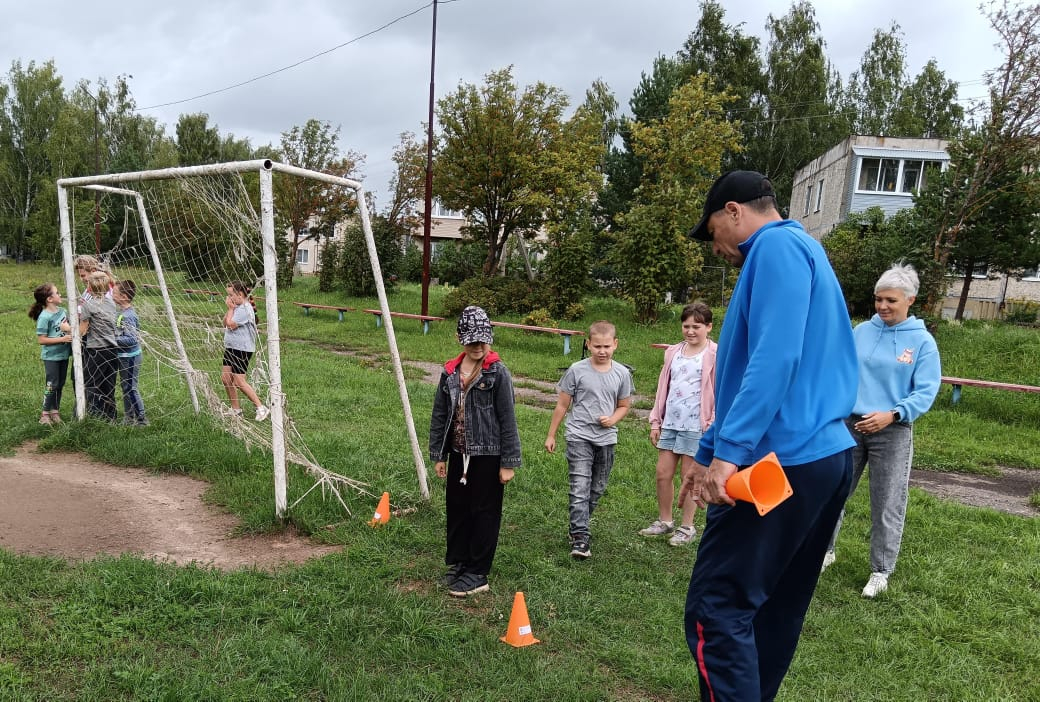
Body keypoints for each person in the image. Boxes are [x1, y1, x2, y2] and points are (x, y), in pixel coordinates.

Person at [678, 170, 859, 701]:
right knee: (774, 610)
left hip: (777, 465)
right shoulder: (806, 250)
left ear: (735, 211)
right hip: (825, 457)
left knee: (717, 605)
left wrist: (728, 456)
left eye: (713, 231)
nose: (716, 248)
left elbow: (775, 360)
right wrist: (705, 450)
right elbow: (742, 372)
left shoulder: (775, 248)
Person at [821, 263, 941, 598]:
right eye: (878, 300)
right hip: (850, 424)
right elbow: (840, 371)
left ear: (910, 300)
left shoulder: (922, 342)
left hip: (892, 429)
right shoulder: (861, 331)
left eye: (890, 300)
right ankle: (825, 550)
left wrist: (893, 414)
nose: (883, 306)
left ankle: (880, 570)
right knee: (834, 491)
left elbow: (926, 390)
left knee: (887, 501)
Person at [429, 306, 521, 597]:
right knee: (457, 508)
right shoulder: (449, 373)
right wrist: (439, 455)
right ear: (459, 338)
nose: (478, 346)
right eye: (472, 341)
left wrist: (508, 462)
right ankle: (459, 562)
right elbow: (440, 415)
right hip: (458, 454)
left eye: (483, 339)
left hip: (488, 456)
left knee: (484, 512)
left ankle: (478, 572)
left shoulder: (497, 373)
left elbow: (508, 419)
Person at [545, 320, 633, 560]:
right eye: (597, 346)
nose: (602, 351)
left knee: (597, 487)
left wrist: (613, 418)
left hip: (606, 438)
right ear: (588, 345)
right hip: (578, 436)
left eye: (606, 346)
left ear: (615, 344)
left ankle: (577, 524)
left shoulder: (622, 373)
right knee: (580, 486)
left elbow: (624, 405)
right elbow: (563, 404)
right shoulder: (577, 370)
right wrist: (551, 434)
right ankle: (581, 537)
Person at [641, 302, 717, 546]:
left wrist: (713, 421)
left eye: (696, 326)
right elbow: (663, 387)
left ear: (709, 327)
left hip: (697, 426)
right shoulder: (673, 351)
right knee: (663, 473)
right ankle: (665, 521)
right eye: (686, 326)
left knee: (690, 476)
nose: (690, 331)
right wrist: (656, 421)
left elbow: (721, 389)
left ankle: (687, 527)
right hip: (671, 422)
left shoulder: (715, 354)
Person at [221, 281, 269, 421]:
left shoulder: (244, 309)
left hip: (242, 349)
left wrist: (230, 309)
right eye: (228, 295)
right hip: (231, 347)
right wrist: (230, 309)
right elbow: (224, 322)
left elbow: (230, 325)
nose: (228, 298)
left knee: (239, 381)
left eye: (231, 295)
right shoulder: (236, 306)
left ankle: (261, 408)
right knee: (226, 378)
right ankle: (236, 410)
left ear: (240, 294)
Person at [29, 283, 73, 425]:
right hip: (51, 357)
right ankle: (45, 414)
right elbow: (41, 340)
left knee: (60, 384)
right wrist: (63, 338)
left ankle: (55, 412)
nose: (60, 295)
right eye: (57, 293)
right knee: (51, 384)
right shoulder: (44, 317)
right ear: (49, 299)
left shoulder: (63, 311)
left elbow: (67, 328)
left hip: (64, 354)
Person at [79, 271, 120, 422]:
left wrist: (67, 329)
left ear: (91, 286)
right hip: (113, 350)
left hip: (97, 349)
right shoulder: (111, 303)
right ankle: (111, 417)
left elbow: (82, 330)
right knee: (108, 385)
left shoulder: (88, 305)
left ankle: (91, 416)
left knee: (90, 384)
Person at [113, 279, 149, 426]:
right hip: (123, 356)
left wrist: (111, 338)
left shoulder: (129, 316)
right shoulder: (121, 312)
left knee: (131, 387)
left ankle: (142, 420)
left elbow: (132, 340)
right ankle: (129, 418)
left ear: (124, 297)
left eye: (114, 293)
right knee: (126, 387)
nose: (112, 295)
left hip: (131, 358)